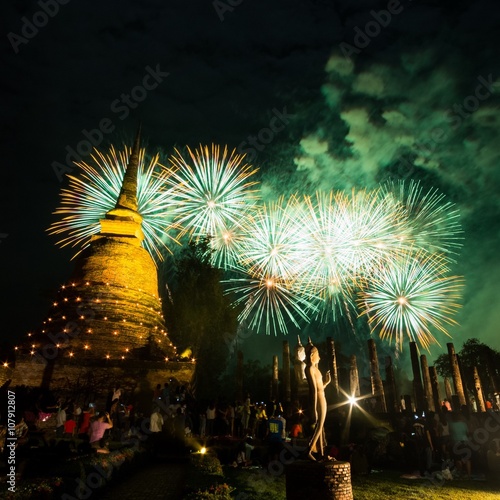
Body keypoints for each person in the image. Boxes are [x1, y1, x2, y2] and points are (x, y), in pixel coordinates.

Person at [305, 338, 331, 461]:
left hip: (322, 397)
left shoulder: (316, 369)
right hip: (318, 399)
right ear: (312, 355)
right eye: (318, 355)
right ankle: (309, 449)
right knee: (319, 426)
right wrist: (313, 408)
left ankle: (321, 453)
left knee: (322, 426)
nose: (319, 358)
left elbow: (320, 387)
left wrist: (327, 381)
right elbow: (314, 390)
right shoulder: (309, 369)